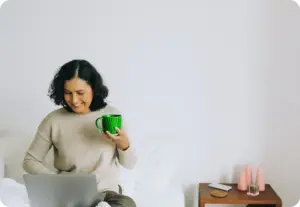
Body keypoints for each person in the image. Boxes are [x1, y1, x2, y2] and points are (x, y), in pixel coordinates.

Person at [23, 59, 137, 207]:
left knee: (127, 204)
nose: (74, 100)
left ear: (93, 89)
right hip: (70, 194)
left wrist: (124, 145)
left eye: (80, 93)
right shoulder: (53, 120)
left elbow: (130, 164)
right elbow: (30, 161)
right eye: (68, 93)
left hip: (107, 194)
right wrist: (56, 182)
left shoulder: (111, 116)